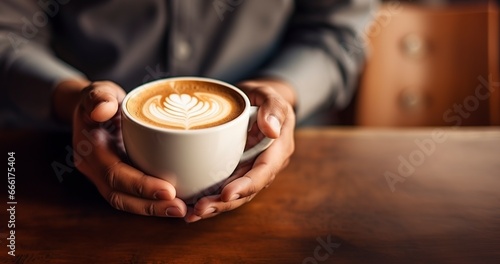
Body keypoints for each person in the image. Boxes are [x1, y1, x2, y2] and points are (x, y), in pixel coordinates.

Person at [0, 0, 375, 222]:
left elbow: (338, 34)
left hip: (289, 182)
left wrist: (280, 95)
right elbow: (8, 32)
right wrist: (74, 98)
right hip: (56, 166)